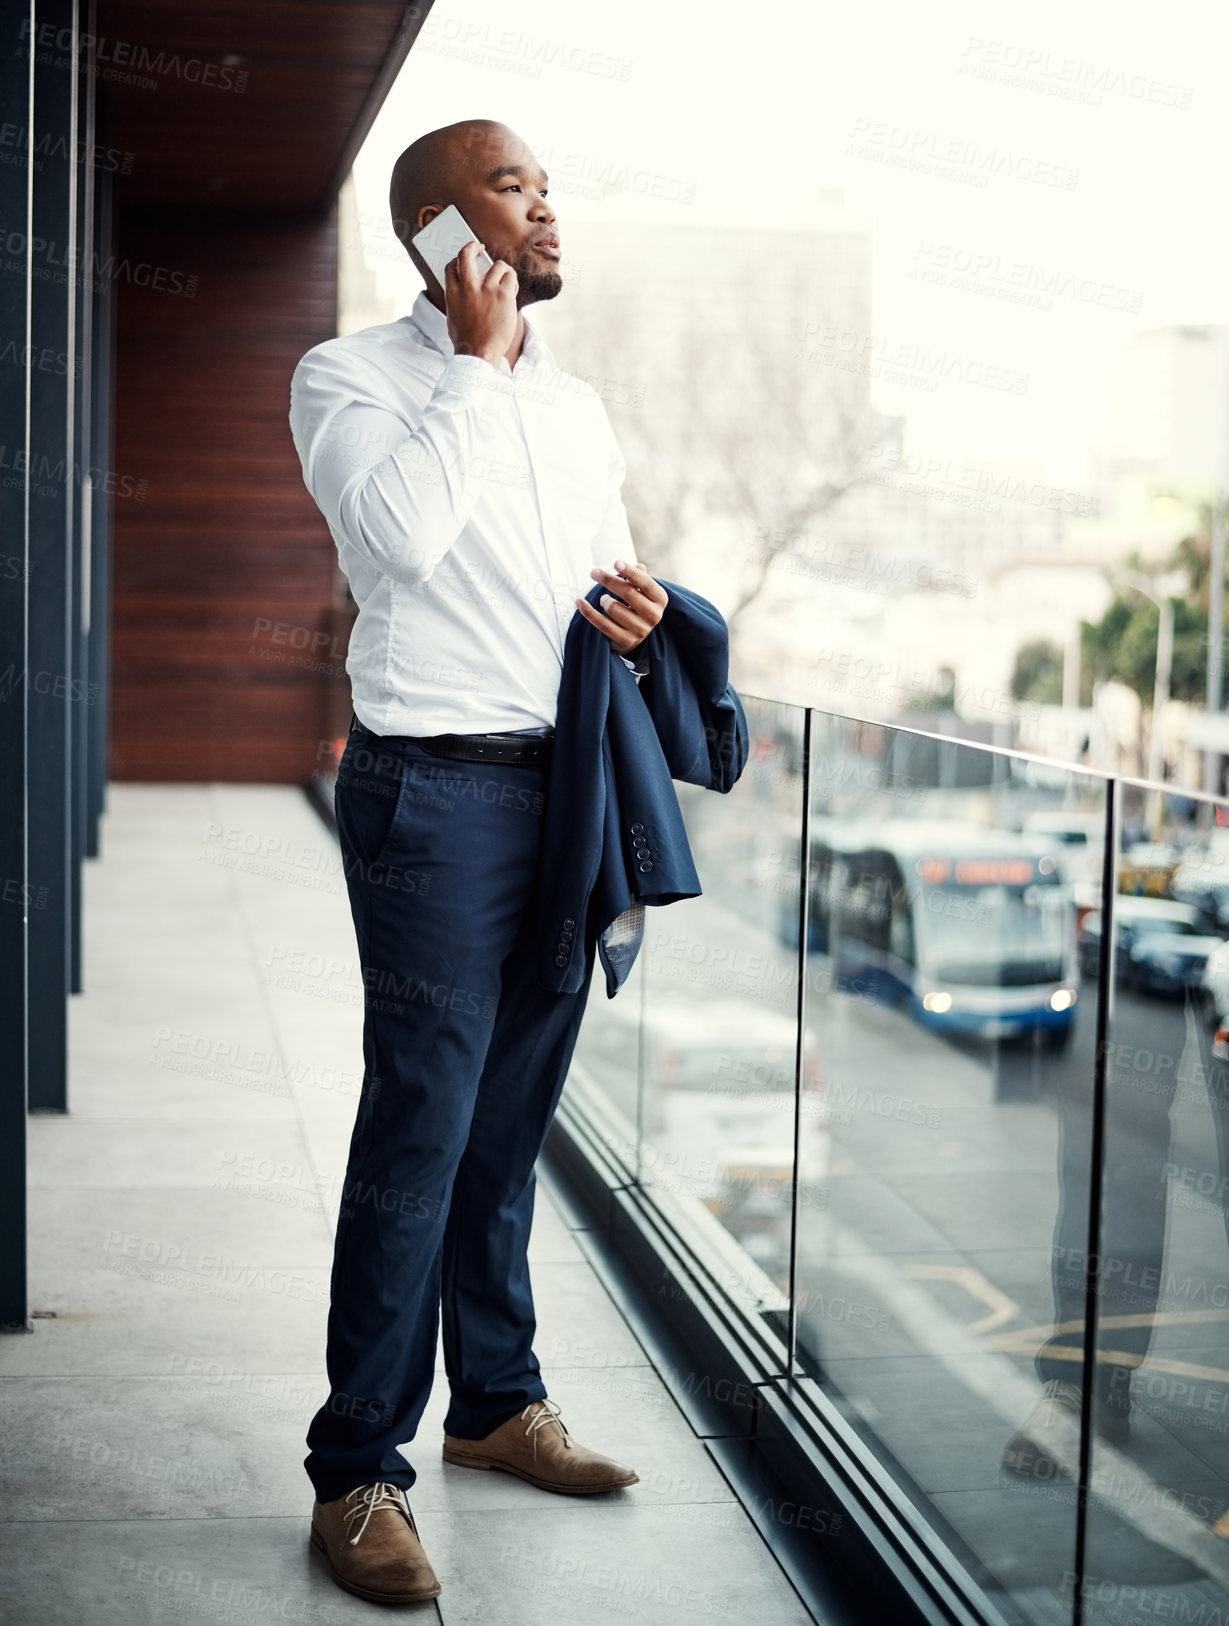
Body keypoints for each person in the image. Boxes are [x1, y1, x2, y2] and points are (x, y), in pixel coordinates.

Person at [288, 118, 671, 1605]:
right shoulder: (352, 378)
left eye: (547, 184)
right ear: (440, 231)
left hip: (555, 789)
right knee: (420, 1128)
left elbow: (596, 582)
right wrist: (466, 359)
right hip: (428, 799)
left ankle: (496, 1404)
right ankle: (354, 1466)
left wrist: (630, 610)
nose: (547, 207)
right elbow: (392, 550)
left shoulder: (573, 411)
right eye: (514, 188)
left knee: (510, 1121)